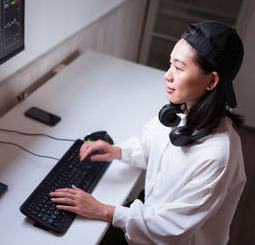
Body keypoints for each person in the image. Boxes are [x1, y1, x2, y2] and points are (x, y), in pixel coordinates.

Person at [49, 21, 247, 245]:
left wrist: (102, 210)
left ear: (211, 80)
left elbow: (172, 228)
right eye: (170, 64)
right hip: (151, 212)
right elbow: (153, 144)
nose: (167, 75)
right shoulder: (183, 110)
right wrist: (117, 150)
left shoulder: (218, 155)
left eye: (179, 68)